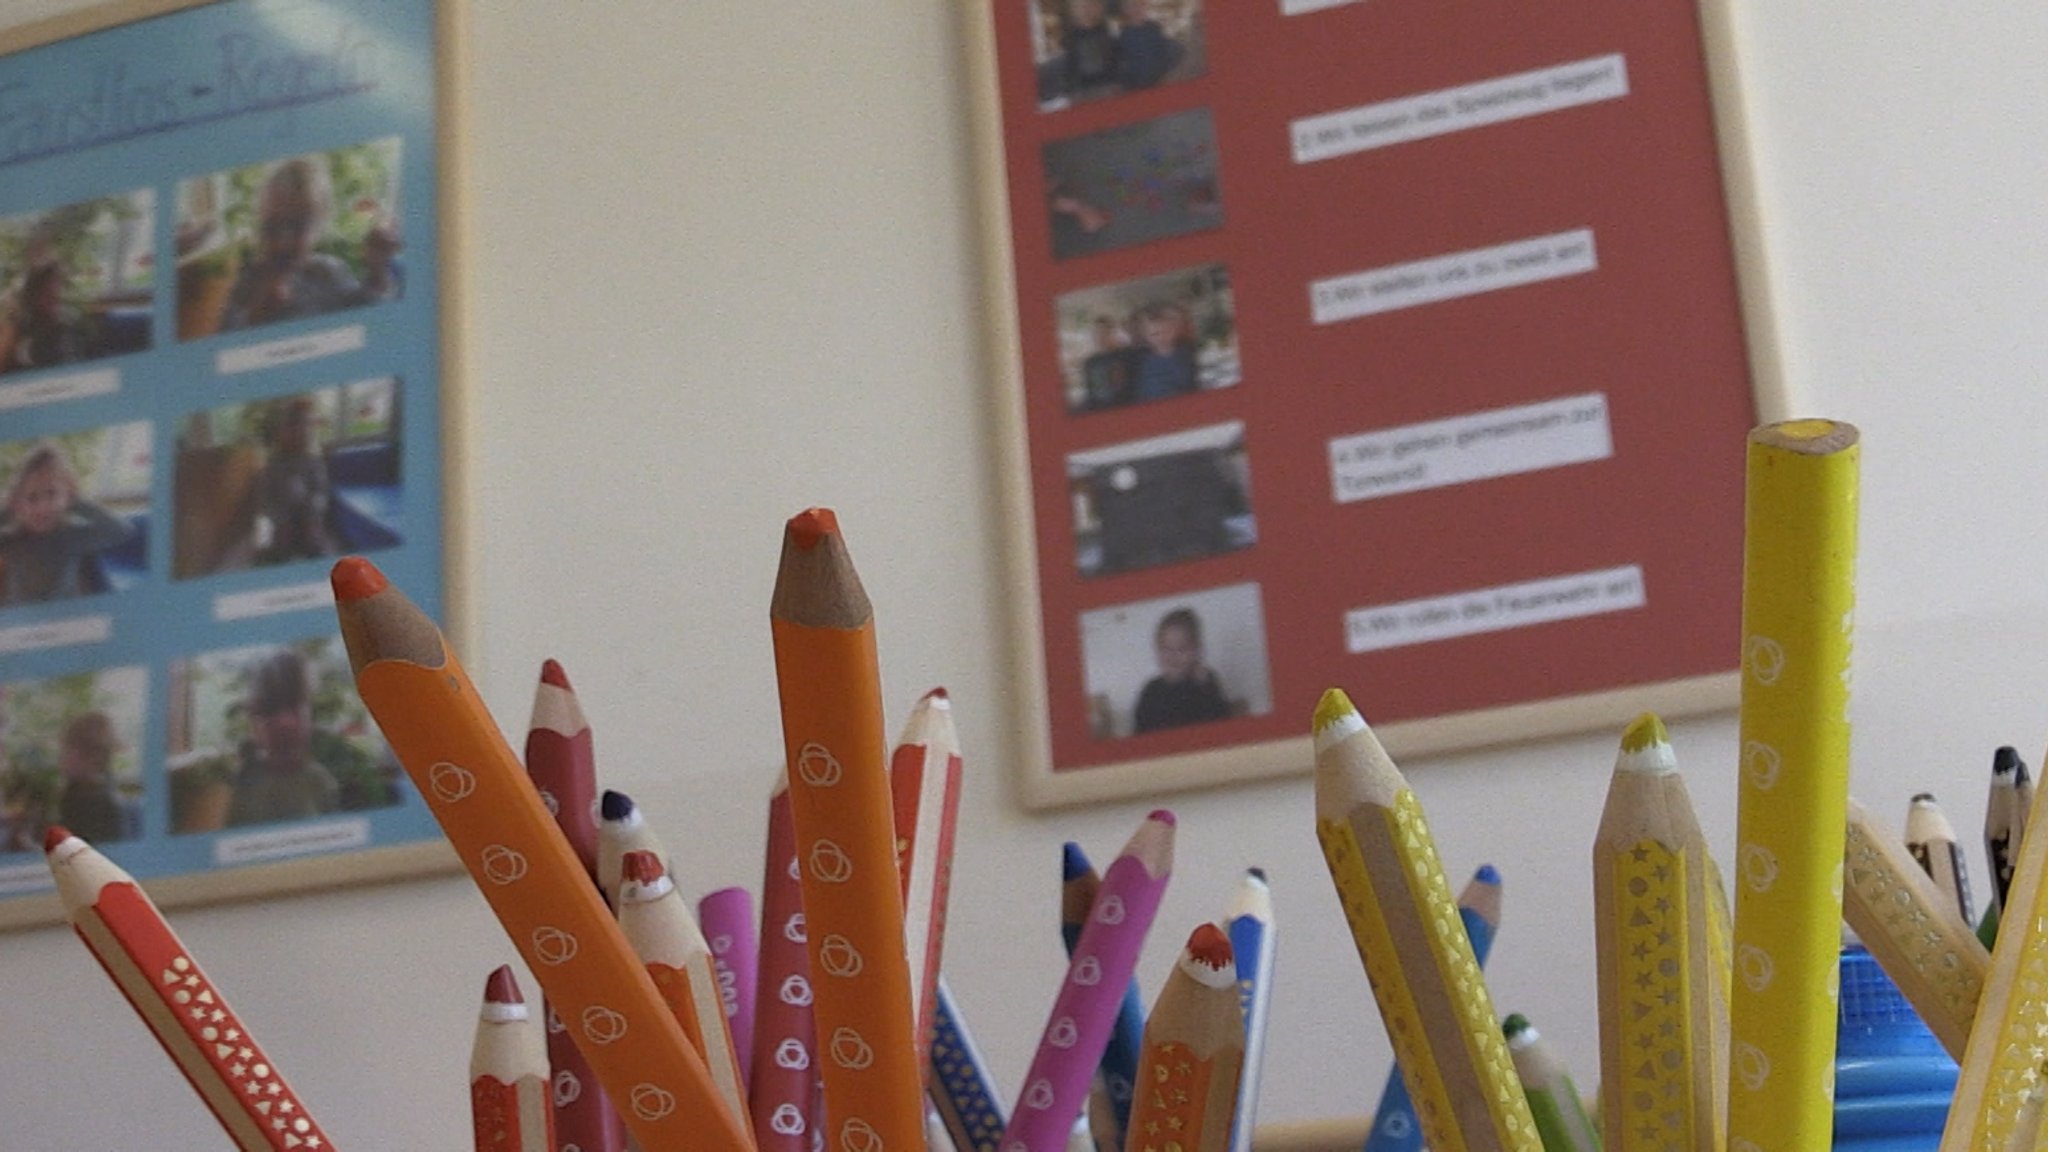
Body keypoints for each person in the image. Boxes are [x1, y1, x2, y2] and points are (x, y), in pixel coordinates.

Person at [220, 155, 400, 331]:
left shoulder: (328, 273)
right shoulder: (248, 281)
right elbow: (222, 343)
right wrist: (256, 316)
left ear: (318, 229)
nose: (284, 243)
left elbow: (372, 320)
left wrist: (377, 272)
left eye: (298, 227)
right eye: (271, 226)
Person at [0, 442, 133, 606]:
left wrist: (78, 503)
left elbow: (121, 531)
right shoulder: (12, 540)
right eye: (32, 498)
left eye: (52, 493)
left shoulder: (73, 536)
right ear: (17, 503)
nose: (43, 507)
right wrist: (7, 510)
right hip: (23, 620)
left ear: (68, 496)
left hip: (64, 620)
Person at [226, 649, 340, 827]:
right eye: (271, 709)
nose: (284, 722)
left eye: (294, 706)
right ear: (252, 720)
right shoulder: (233, 786)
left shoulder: (321, 783)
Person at [248, 396, 336, 565]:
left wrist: (314, 506)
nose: (299, 433)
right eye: (292, 427)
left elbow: (321, 490)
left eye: (304, 427)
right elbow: (264, 495)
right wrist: (276, 516)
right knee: (280, 546)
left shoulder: (313, 460)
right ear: (282, 431)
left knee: (314, 541)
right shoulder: (273, 462)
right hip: (282, 514)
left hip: (308, 512)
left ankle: (313, 551)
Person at [1132, 607, 1232, 734]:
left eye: (1182, 649)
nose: (1173, 656)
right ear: (1157, 650)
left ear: (1196, 651)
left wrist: (1205, 687)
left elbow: (1222, 725)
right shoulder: (1151, 690)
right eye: (1166, 649)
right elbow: (1138, 733)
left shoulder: (1205, 683)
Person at [55, 711, 126, 844]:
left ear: (92, 757)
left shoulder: (94, 803)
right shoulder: (75, 791)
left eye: (66, 751)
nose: (60, 760)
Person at [1127, 301, 1199, 402]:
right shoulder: (1143, 363)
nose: (1161, 338)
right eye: (1154, 334)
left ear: (1177, 330)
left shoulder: (1185, 352)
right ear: (1145, 336)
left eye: (1167, 331)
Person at [1114, 0, 1185, 89]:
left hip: (1161, 78)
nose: (1137, 9)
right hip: (1139, 84)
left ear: (1145, 6)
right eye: (1131, 6)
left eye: (1140, 4)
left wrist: (1165, 73)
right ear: (1124, 10)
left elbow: (1165, 51)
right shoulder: (1122, 37)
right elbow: (1124, 66)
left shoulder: (1154, 28)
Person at [1060, 0, 1120, 99]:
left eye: (1092, 5)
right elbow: (1069, 67)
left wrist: (1116, 83)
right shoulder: (1070, 37)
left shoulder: (1107, 32)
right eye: (1082, 6)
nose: (1087, 10)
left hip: (1108, 87)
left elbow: (1114, 59)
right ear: (1074, 10)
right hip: (1082, 91)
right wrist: (1073, 92)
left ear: (1099, 9)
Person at [1078, 315, 1134, 410]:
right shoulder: (1089, 363)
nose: (1100, 337)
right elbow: (1090, 393)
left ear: (1113, 334)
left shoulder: (1126, 355)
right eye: (1096, 333)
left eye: (1105, 333)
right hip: (1096, 407)